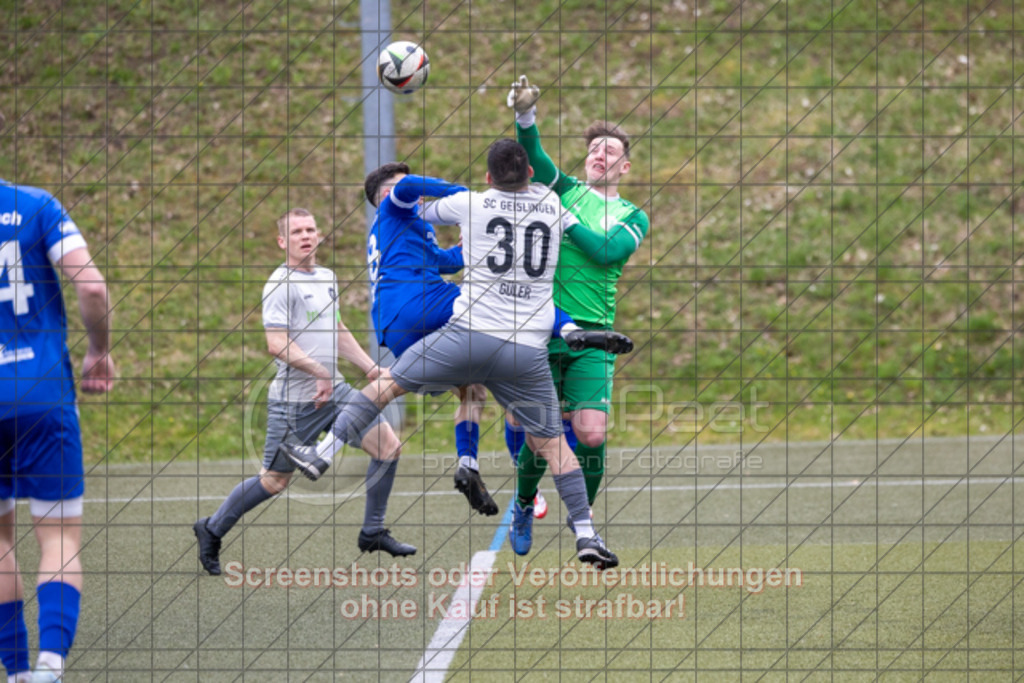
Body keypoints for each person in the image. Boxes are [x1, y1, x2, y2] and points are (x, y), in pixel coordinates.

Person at [285, 140, 620, 569]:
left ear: (489, 177)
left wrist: (463, 218)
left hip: (448, 330)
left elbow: (442, 247)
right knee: (554, 443)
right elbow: (417, 196)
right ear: (529, 176)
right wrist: (570, 327)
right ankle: (586, 532)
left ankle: (334, 453)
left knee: (421, 387)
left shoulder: (459, 209)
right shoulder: (548, 208)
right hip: (510, 338)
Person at [193, 208, 414, 578]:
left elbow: (337, 329)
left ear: (319, 235)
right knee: (274, 481)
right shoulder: (280, 284)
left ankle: (372, 531)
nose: (306, 236)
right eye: (296, 232)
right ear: (282, 241)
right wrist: (318, 371)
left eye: (310, 229)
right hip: (295, 403)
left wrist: (369, 367)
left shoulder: (327, 277)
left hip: (336, 393)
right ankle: (212, 529)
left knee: (388, 447)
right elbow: (276, 343)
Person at [505, 76, 651, 555]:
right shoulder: (565, 189)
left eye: (609, 151)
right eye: (593, 149)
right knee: (538, 435)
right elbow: (535, 158)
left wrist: (563, 219)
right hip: (544, 328)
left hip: (594, 336)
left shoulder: (633, 215)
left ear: (624, 166)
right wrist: (525, 115)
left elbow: (606, 252)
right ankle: (523, 503)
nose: (599, 155)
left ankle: (581, 521)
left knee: (591, 432)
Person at [0, 177, 115, 682]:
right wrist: (99, 350)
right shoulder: (34, 205)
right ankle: (49, 667)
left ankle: (16, 671)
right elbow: (91, 285)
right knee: (59, 537)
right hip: (40, 393)